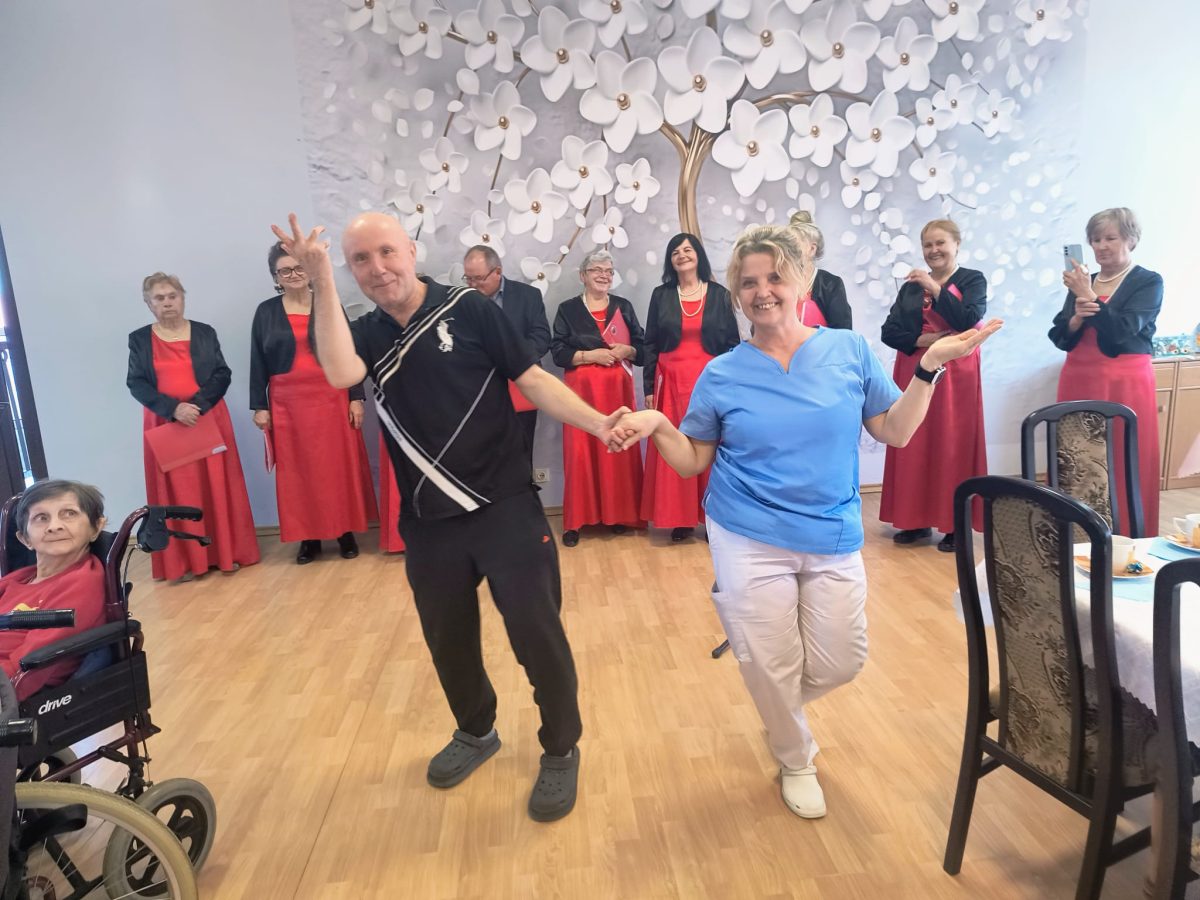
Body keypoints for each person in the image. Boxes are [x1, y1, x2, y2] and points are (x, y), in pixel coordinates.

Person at [612, 225, 1001, 819]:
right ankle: (795, 756)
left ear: (802, 281)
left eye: (775, 277)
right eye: (748, 282)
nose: (762, 291)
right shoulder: (723, 373)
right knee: (770, 662)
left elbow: (895, 431)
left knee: (842, 660)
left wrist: (928, 367)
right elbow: (693, 461)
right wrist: (660, 425)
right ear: (736, 293)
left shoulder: (848, 350)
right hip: (746, 531)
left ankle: (772, 697)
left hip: (831, 530)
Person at [271, 210, 633, 823]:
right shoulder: (363, 332)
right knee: (449, 641)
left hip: (506, 507)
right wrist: (321, 279)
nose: (377, 268)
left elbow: (532, 379)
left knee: (537, 636)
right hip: (428, 520)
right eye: (360, 259)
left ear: (411, 252)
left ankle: (560, 746)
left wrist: (598, 424)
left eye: (387, 252)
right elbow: (339, 372)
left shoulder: (469, 309)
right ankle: (476, 730)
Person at [127, 273, 260, 582]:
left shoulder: (204, 333)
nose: (167, 302)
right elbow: (136, 383)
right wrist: (174, 409)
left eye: (172, 296)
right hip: (165, 422)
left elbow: (222, 374)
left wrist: (195, 406)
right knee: (178, 492)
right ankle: (184, 561)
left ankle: (224, 553)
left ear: (183, 298)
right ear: (149, 304)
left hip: (207, 417)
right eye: (159, 298)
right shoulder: (139, 339)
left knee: (217, 486)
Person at [250, 243, 378, 564]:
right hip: (287, 405)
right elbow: (257, 360)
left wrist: (356, 397)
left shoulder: (329, 304)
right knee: (298, 473)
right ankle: (309, 539)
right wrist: (259, 405)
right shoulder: (265, 312)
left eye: (299, 268)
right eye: (285, 270)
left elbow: (348, 352)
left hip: (331, 398)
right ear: (275, 276)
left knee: (336, 468)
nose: (293, 274)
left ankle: (345, 532)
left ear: (308, 271)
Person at [1049, 207, 1163, 535]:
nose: (1101, 246)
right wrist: (1076, 318)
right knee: (1076, 457)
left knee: (1122, 455)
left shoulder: (1148, 281)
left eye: (1110, 238)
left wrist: (1088, 295)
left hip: (1124, 381)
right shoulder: (1085, 281)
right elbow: (1060, 336)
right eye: (1096, 239)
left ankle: (1126, 533)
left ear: (1131, 239)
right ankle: (1078, 534)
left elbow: (1122, 332)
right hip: (1078, 376)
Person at [879, 219, 989, 553]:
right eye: (927, 245)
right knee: (913, 440)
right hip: (914, 370)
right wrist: (925, 340)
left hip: (956, 373)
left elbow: (967, 320)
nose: (933, 250)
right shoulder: (911, 287)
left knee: (952, 441)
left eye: (940, 243)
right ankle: (915, 519)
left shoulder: (972, 279)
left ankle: (954, 523)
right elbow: (890, 332)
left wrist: (936, 289)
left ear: (957, 244)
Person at [640, 233, 739, 543]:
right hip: (670, 381)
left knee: (712, 446)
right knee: (675, 446)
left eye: (687, 250)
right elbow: (650, 343)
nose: (682, 255)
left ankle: (713, 517)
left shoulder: (720, 295)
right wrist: (648, 387)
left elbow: (732, 344)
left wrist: (733, 385)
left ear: (698, 255)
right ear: (670, 261)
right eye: (675, 252)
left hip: (710, 382)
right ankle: (680, 519)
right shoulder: (661, 295)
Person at [550, 250, 645, 547]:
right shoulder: (567, 309)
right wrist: (591, 356)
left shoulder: (623, 306)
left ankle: (618, 515)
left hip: (617, 395)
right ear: (583, 276)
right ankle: (576, 521)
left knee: (617, 449)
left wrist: (628, 351)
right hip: (581, 397)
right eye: (596, 270)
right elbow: (558, 353)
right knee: (580, 453)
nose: (604, 275)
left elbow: (643, 349)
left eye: (608, 270)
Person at [1, 480, 108, 700]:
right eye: (41, 518)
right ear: (25, 539)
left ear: (96, 527)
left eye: (69, 514)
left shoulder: (80, 583)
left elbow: (30, 663)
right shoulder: (17, 579)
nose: (54, 526)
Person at [462, 245, 552, 465]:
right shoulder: (462, 299)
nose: (473, 285)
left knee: (520, 453)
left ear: (498, 272)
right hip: (478, 391)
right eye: (468, 279)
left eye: (479, 278)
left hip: (520, 386)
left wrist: (513, 359)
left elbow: (541, 338)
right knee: (481, 457)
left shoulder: (528, 296)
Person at [787, 211, 853, 329]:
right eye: (787, 247)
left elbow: (843, 334)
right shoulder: (781, 282)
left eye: (794, 246)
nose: (788, 252)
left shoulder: (831, 284)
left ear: (812, 249)